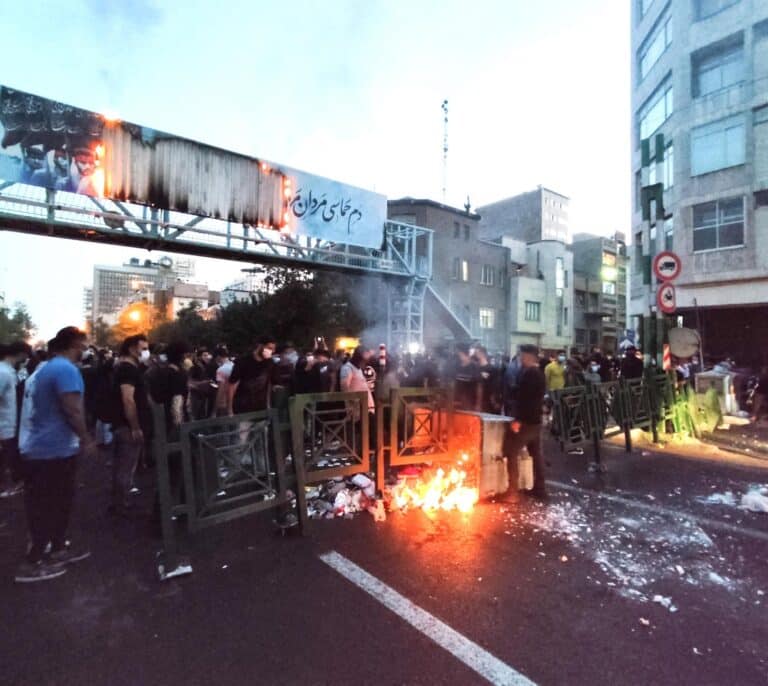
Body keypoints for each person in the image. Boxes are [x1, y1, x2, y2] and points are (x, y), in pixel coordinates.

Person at [15, 327, 95, 584]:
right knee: (46, 505)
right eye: (83, 343)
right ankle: (33, 561)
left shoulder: (46, 368)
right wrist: (86, 439)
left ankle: (57, 548)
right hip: (51, 450)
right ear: (73, 343)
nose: (86, 348)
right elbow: (72, 410)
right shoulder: (65, 369)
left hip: (44, 448)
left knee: (58, 502)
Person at [109, 334, 152, 517]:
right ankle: (121, 504)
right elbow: (128, 399)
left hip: (122, 425)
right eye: (143, 349)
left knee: (122, 465)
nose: (146, 353)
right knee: (126, 466)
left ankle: (119, 501)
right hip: (127, 427)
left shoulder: (126, 368)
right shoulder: (128, 370)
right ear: (132, 349)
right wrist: (135, 426)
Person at [503, 344, 547, 500]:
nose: (520, 358)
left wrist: (518, 420)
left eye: (522, 355)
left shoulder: (530, 374)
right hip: (536, 420)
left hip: (527, 422)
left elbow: (525, 400)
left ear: (529, 357)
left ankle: (512, 491)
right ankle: (540, 489)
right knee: (536, 454)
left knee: (510, 450)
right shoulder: (539, 373)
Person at [0, 341, 31, 498]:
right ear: (20, 354)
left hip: (8, 423)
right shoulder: (3, 373)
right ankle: (6, 487)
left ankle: (9, 486)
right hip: (4, 425)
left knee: (7, 458)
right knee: (6, 459)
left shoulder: (8, 371)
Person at [228, 336, 277, 414]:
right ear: (260, 346)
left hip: (261, 408)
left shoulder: (270, 363)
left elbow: (269, 384)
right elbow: (232, 385)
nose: (272, 351)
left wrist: (268, 405)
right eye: (269, 348)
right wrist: (230, 410)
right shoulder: (243, 361)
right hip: (243, 408)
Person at [340, 346, 375, 413]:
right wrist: (355, 401)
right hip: (357, 412)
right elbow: (344, 388)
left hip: (366, 410)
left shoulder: (358, 368)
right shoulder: (347, 368)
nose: (367, 361)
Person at [453, 342, 481, 411]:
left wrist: (478, 404)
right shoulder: (457, 366)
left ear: (466, 354)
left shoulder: (474, 367)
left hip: (470, 403)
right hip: (458, 403)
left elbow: (479, 387)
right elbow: (454, 384)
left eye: (460, 355)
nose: (459, 357)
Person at [474, 345, 501, 414]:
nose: (476, 355)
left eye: (477, 353)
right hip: (476, 400)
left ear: (483, 353)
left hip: (487, 401)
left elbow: (495, 386)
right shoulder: (475, 368)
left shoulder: (491, 369)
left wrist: (494, 401)